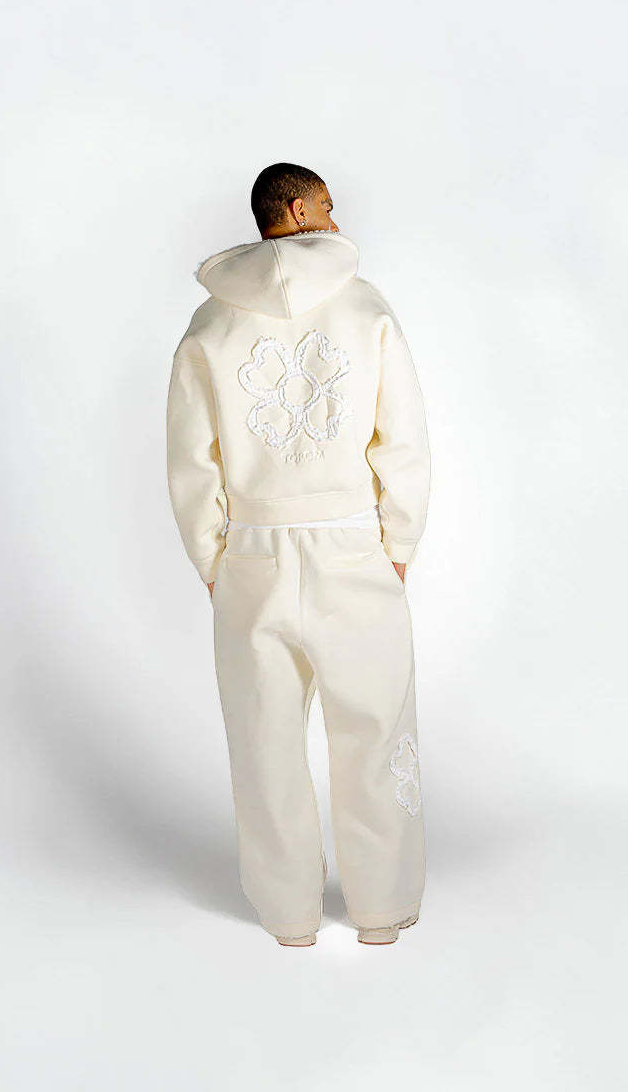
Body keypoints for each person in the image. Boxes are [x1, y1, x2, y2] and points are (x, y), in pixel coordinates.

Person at [165, 162, 431, 947]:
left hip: (253, 552)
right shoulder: (363, 306)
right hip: (351, 545)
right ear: (295, 208)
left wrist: (213, 557)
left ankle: (288, 915)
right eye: (326, 205)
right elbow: (402, 436)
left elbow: (191, 459)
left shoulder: (210, 324)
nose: (336, 220)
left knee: (264, 740)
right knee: (374, 730)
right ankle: (380, 907)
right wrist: (399, 540)